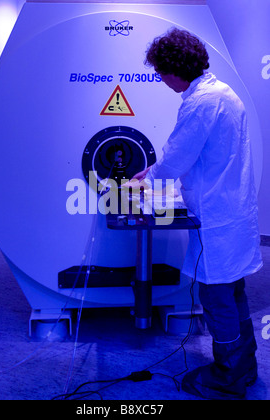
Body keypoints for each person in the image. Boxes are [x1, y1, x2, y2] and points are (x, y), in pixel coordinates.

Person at [131, 28, 263, 400]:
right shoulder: (223, 93)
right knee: (234, 291)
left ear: (175, 69)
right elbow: (202, 155)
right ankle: (245, 367)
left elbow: (177, 156)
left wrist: (148, 180)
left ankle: (227, 376)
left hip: (218, 217)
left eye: (160, 72)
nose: (159, 78)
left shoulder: (202, 102)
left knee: (217, 296)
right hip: (232, 211)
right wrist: (157, 174)